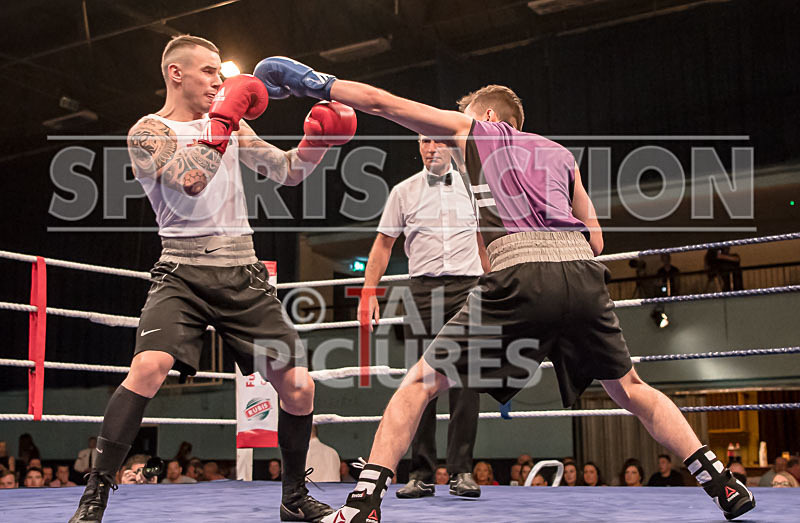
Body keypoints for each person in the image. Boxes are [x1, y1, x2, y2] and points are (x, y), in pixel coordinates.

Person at [252, 57, 756, 521]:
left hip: (521, 273)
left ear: (490, 115)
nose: (448, 137)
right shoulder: (560, 154)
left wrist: (312, 83)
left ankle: (364, 503)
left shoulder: (478, 132)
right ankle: (724, 483)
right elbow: (596, 238)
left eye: (464, 117)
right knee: (632, 390)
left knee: (419, 384)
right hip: (581, 273)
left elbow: (385, 104)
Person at [68, 35, 356, 523]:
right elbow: (190, 178)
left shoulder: (232, 125)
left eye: (221, 74)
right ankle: (93, 497)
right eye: (208, 72)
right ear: (176, 74)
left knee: (299, 387)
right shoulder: (148, 132)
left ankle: (293, 498)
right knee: (147, 369)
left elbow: (286, 172)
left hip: (242, 270)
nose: (219, 82)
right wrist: (223, 118)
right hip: (180, 271)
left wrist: (319, 144)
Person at [362, 134, 483, 500]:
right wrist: (369, 292)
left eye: (436, 140)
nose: (430, 147)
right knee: (420, 382)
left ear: (451, 145)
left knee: (466, 380)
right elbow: (383, 244)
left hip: (470, 288)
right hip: (422, 291)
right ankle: (421, 473)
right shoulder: (403, 191)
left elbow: (484, 240)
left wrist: (498, 287)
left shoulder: (473, 188)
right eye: (423, 141)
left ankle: (462, 470)